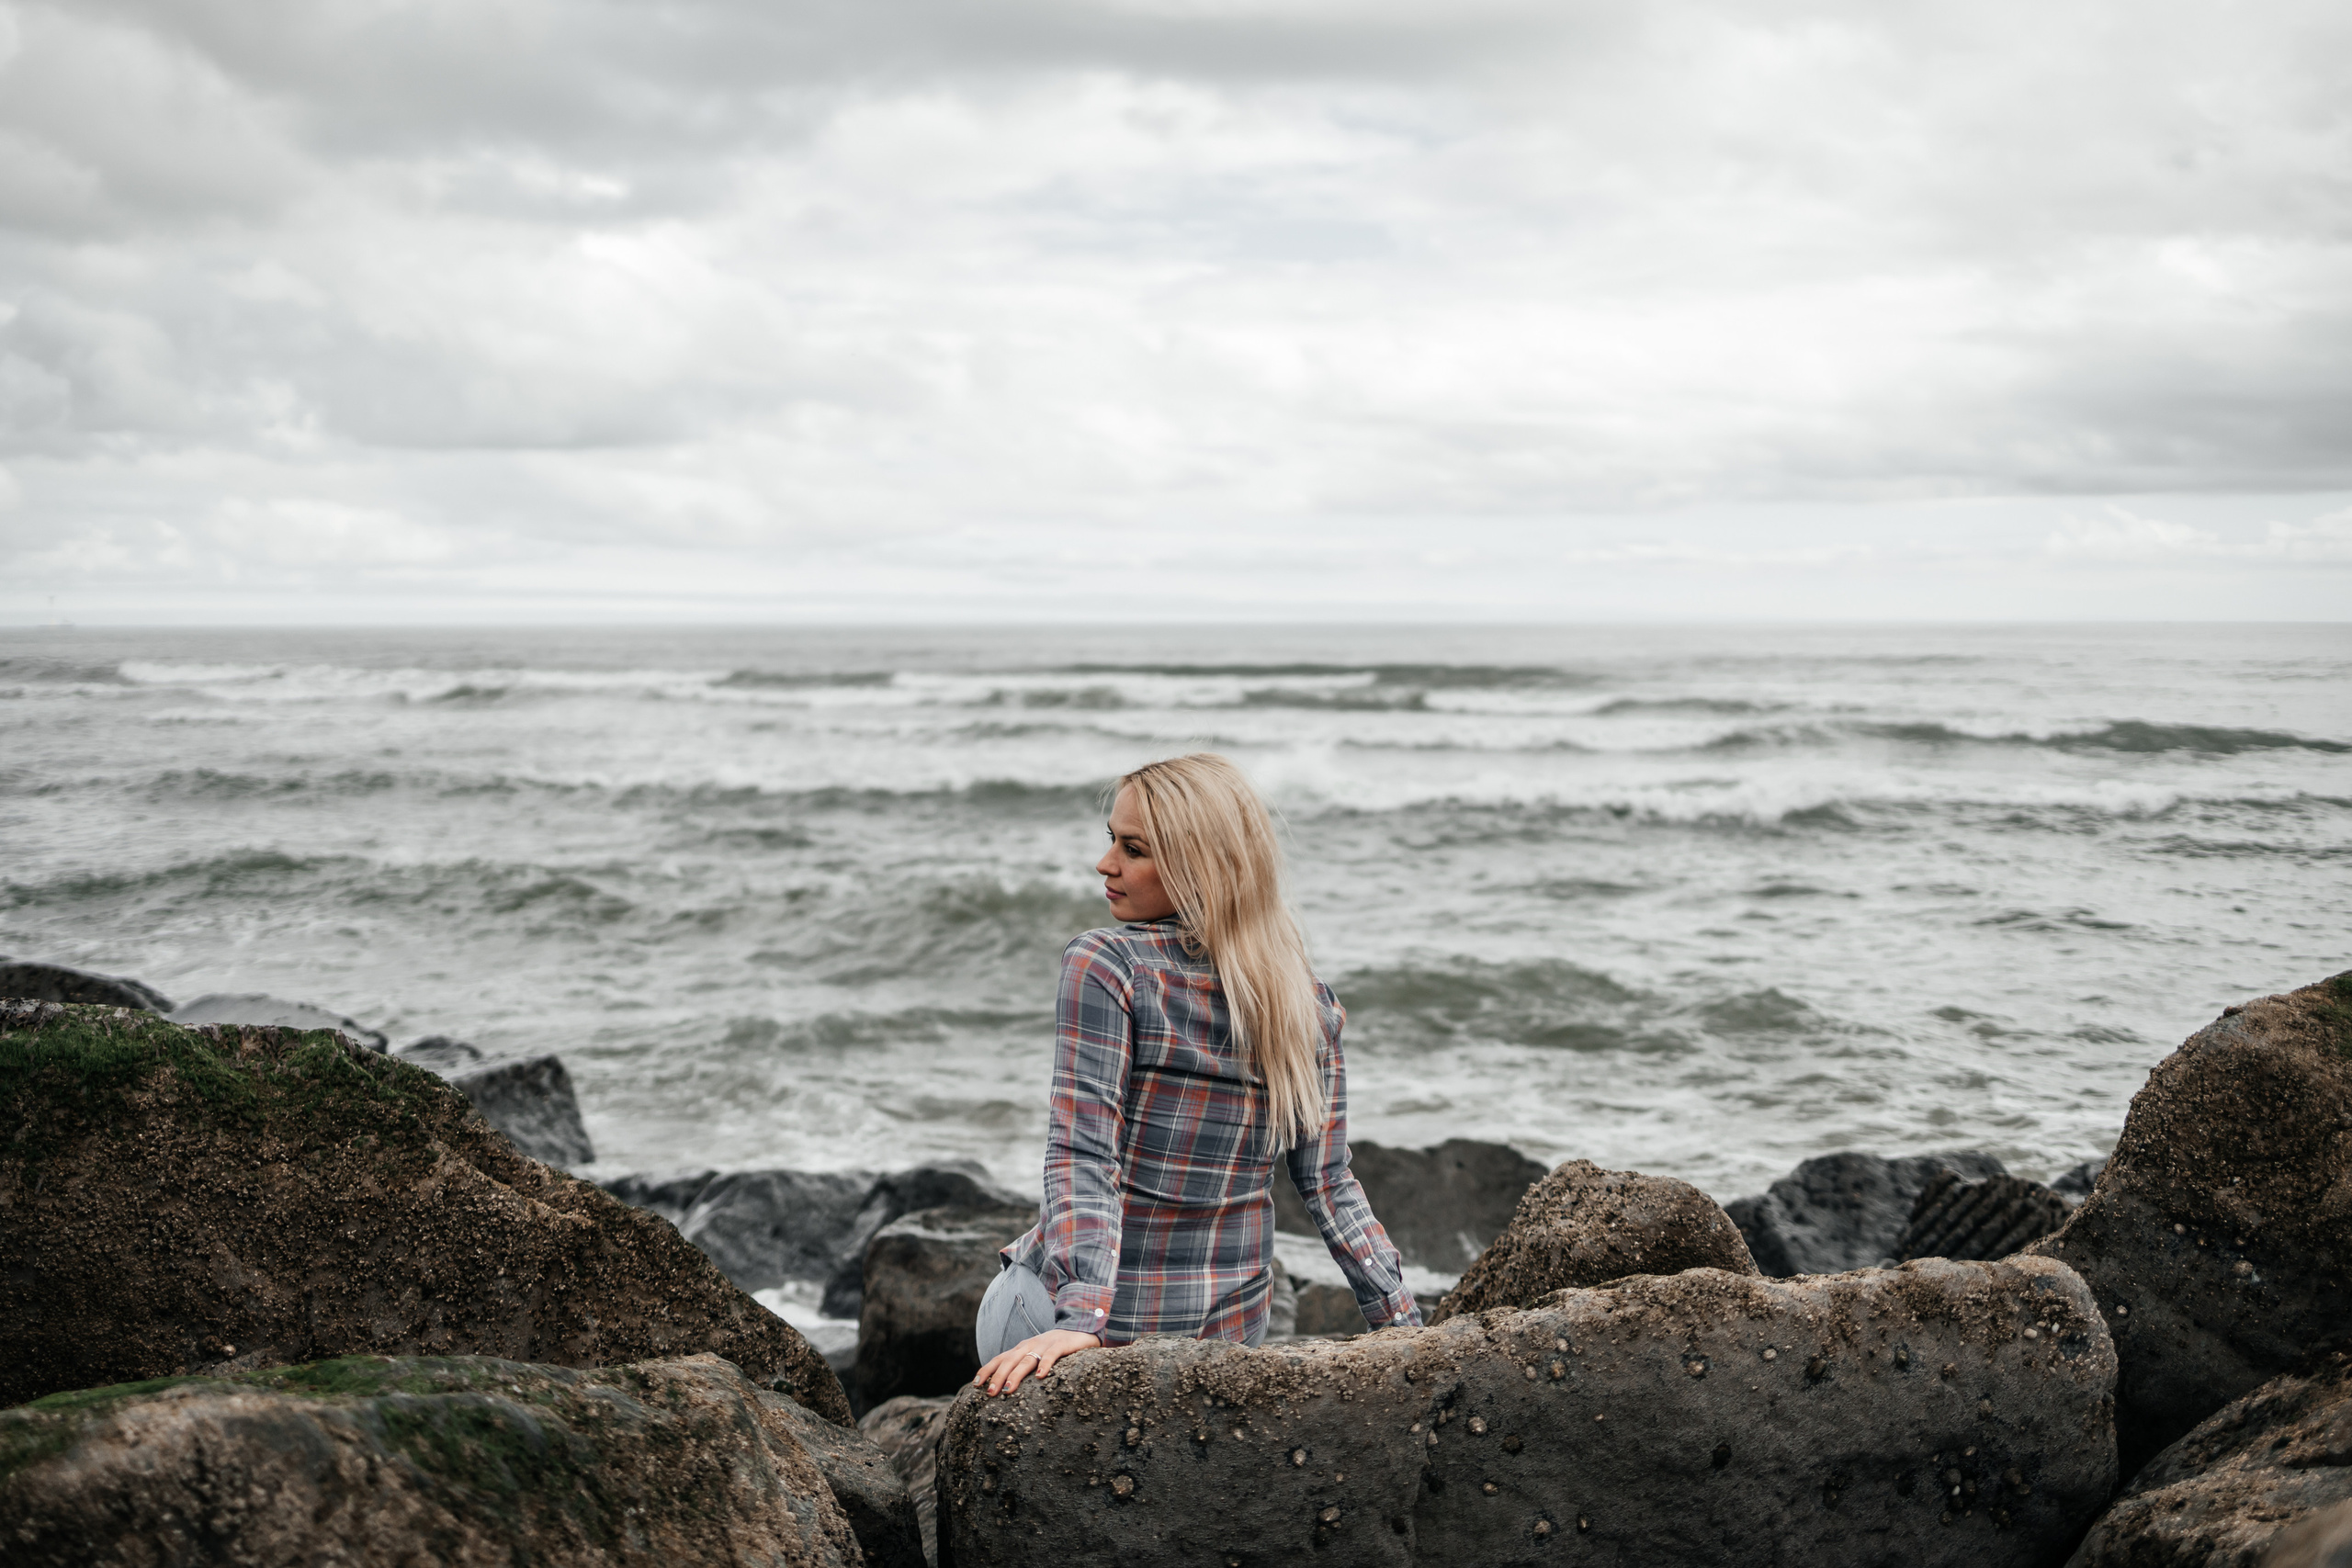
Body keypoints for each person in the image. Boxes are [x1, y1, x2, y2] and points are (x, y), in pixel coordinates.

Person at [972, 752, 1420, 1398]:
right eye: (1112, 841)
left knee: (1010, 1287)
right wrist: (1405, 1328)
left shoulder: (1107, 964)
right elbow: (1329, 1185)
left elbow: (1084, 1152)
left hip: (1092, 1327)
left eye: (1132, 849)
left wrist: (1082, 1320)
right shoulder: (1307, 1003)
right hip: (1226, 1340)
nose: (1105, 864)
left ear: (1197, 865)